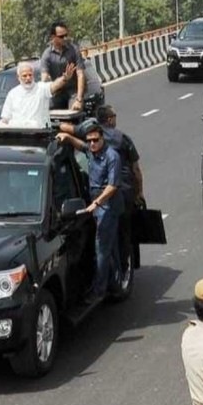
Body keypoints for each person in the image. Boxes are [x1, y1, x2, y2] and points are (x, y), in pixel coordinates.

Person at [61, 105, 144, 277]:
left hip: (105, 196)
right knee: (122, 234)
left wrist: (58, 127)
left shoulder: (89, 132)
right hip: (122, 193)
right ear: (110, 119)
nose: (92, 143)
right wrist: (140, 193)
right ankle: (120, 271)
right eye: (114, 115)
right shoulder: (122, 139)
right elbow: (136, 169)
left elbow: (71, 130)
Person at [56, 124, 123, 305]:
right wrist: (67, 138)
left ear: (103, 139)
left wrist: (97, 203)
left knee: (101, 249)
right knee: (111, 249)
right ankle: (117, 283)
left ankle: (99, 291)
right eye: (90, 140)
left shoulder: (112, 157)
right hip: (96, 205)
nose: (92, 144)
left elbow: (113, 186)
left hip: (107, 207)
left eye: (95, 140)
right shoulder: (91, 151)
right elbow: (81, 146)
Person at [1, 60, 76, 128]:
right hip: (18, 136)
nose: (28, 78)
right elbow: (5, 118)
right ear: (18, 77)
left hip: (39, 135)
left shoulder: (41, 88)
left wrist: (65, 78)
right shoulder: (12, 93)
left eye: (30, 75)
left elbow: (54, 85)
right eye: (24, 75)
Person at [40, 21, 86, 110]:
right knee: (44, 110)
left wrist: (79, 99)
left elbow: (80, 74)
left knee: (73, 112)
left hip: (73, 92)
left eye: (66, 35)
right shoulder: (47, 54)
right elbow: (44, 77)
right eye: (61, 36)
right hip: (57, 93)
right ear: (53, 37)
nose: (65, 38)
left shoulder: (73, 50)